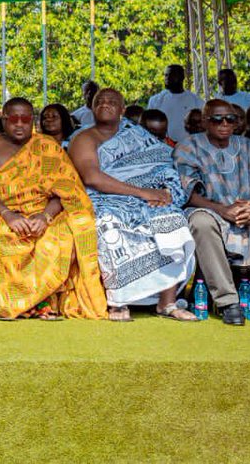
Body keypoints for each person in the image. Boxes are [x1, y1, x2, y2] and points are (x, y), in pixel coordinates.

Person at [0, 98, 106, 320]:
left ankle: (44, 301)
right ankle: (14, 303)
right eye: (14, 119)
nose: (20, 124)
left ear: (32, 120)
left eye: (25, 119)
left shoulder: (48, 147)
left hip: (43, 211)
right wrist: (9, 216)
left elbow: (65, 190)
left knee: (69, 229)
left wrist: (45, 217)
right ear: (4, 119)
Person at [68, 89, 196, 322]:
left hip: (143, 197)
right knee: (109, 223)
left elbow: (162, 163)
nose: (105, 104)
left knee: (172, 217)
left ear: (122, 109)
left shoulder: (137, 135)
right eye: (100, 101)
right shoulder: (84, 138)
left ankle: (166, 302)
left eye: (112, 102)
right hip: (103, 197)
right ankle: (118, 302)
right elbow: (92, 178)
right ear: (92, 108)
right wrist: (142, 192)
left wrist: (162, 192)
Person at [176, 99, 250, 326]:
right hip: (210, 210)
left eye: (230, 119)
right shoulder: (188, 147)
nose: (224, 123)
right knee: (200, 222)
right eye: (217, 119)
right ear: (205, 121)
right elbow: (188, 193)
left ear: (237, 122)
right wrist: (223, 210)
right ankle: (228, 301)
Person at [147, 64, 203, 146]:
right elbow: (148, 127)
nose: (167, 78)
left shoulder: (196, 101)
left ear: (182, 77)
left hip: (189, 149)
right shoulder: (155, 100)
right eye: (166, 75)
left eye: (171, 75)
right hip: (163, 148)